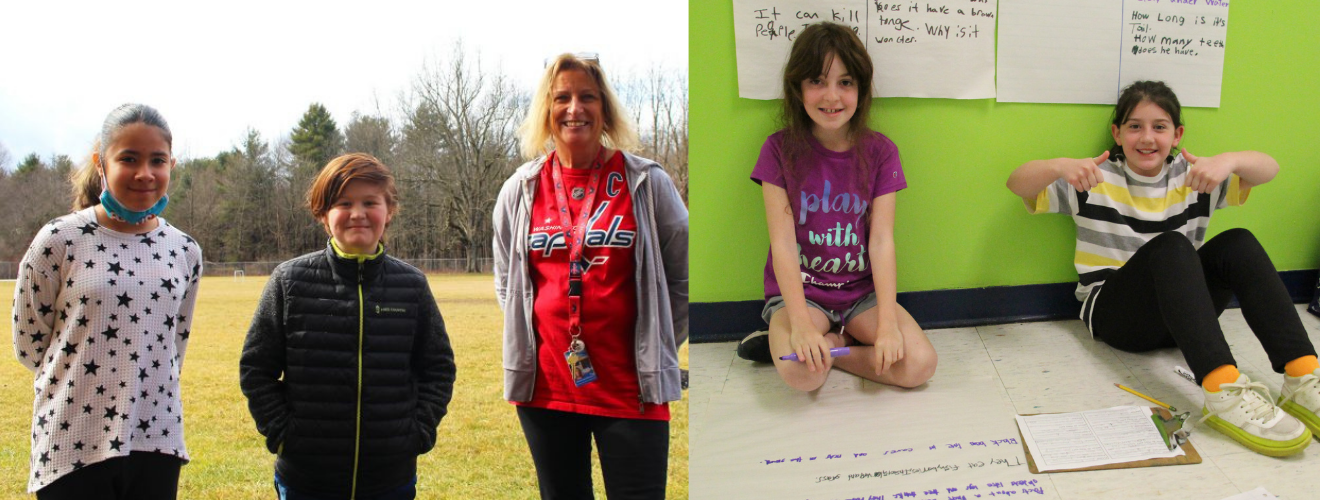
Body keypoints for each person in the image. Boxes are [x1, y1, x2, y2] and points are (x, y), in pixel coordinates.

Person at [1006, 80, 1320, 456]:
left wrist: (1230, 161)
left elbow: (1269, 169)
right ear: (1117, 134)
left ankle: (1302, 378)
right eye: (1135, 126)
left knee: (1238, 241)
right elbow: (1017, 184)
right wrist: (1059, 165)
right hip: (1118, 317)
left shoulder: (1196, 176)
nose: (1147, 137)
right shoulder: (1091, 177)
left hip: (1187, 316)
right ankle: (1222, 390)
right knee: (1171, 244)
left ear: (1177, 135)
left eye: (1160, 127)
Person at [493, 52, 688, 500]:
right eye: (561, 97)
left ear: (605, 109)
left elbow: (682, 276)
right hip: (547, 391)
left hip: (631, 388)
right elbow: (508, 283)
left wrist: (657, 344)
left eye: (587, 97)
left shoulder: (645, 182)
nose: (574, 108)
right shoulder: (520, 190)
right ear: (546, 110)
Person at [11, 103, 202, 499]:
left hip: (155, 437)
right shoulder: (59, 240)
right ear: (102, 163)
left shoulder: (184, 250)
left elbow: (174, 344)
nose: (144, 173)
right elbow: (30, 344)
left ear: (172, 165)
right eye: (128, 158)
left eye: (157, 160)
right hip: (72, 440)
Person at [239, 153, 456, 499]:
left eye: (370, 202)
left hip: (389, 477)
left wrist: (418, 432)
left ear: (389, 210)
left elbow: (438, 368)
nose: (358, 213)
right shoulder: (288, 281)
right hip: (307, 478)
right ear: (324, 215)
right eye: (343, 203)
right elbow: (256, 369)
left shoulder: (411, 285)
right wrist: (282, 433)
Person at [745, 22, 937, 392]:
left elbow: (881, 242)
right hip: (802, 294)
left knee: (920, 366)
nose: (831, 96)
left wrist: (886, 326)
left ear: (861, 90)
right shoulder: (777, 151)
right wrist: (800, 324)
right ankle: (815, 343)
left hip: (861, 294)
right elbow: (782, 244)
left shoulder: (881, 152)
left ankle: (838, 346)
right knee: (803, 376)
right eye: (817, 81)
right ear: (797, 87)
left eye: (845, 82)